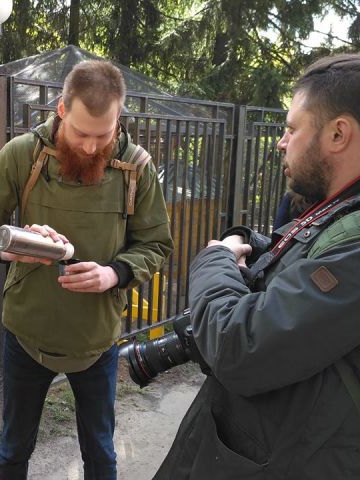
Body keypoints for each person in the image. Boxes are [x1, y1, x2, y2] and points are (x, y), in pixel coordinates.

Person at [0, 60, 173, 479]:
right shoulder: (24, 154)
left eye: (104, 135)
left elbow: (156, 244)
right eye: (80, 133)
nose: (92, 147)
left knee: (100, 453)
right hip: (28, 332)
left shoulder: (137, 168)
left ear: (119, 119)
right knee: (13, 451)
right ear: (61, 109)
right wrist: (13, 247)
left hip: (97, 338)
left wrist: (115, 274)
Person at [154, 54, 360, 479]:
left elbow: (238, 343)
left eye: (291, 128)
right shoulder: (340, 210)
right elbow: (311, 261)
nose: (281, 143)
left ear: (338, 133)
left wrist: (216, 256)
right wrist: (253, 243)